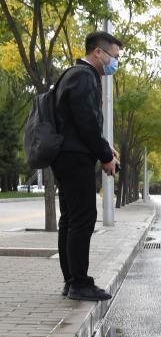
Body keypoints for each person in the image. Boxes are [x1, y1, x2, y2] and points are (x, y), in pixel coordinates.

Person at [52, 31, 122, 301]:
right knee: (82, 219)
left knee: (70, 219)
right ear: (98, 52)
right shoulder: (84, 76)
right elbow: (86, 122)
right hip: (75, 158)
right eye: (114, 56)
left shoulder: (72, 75)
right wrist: (105, 156)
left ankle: (71, 281)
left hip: (65, 155)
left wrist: (104, 148)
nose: (115, 62)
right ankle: (79, 283)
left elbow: (78, 122)